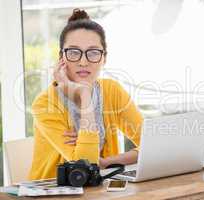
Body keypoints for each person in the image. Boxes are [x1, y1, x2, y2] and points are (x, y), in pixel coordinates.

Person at [28, 8, 143, 180]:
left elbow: (151, 147)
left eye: (93, 52)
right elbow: (85, 165)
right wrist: (85, 96)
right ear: (61, 58)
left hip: (102, 189)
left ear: (104, 58)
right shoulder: (45, 104)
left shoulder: (112, 91)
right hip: (54, 192)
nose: (83, 62)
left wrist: (107, 162)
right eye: (74, 52)